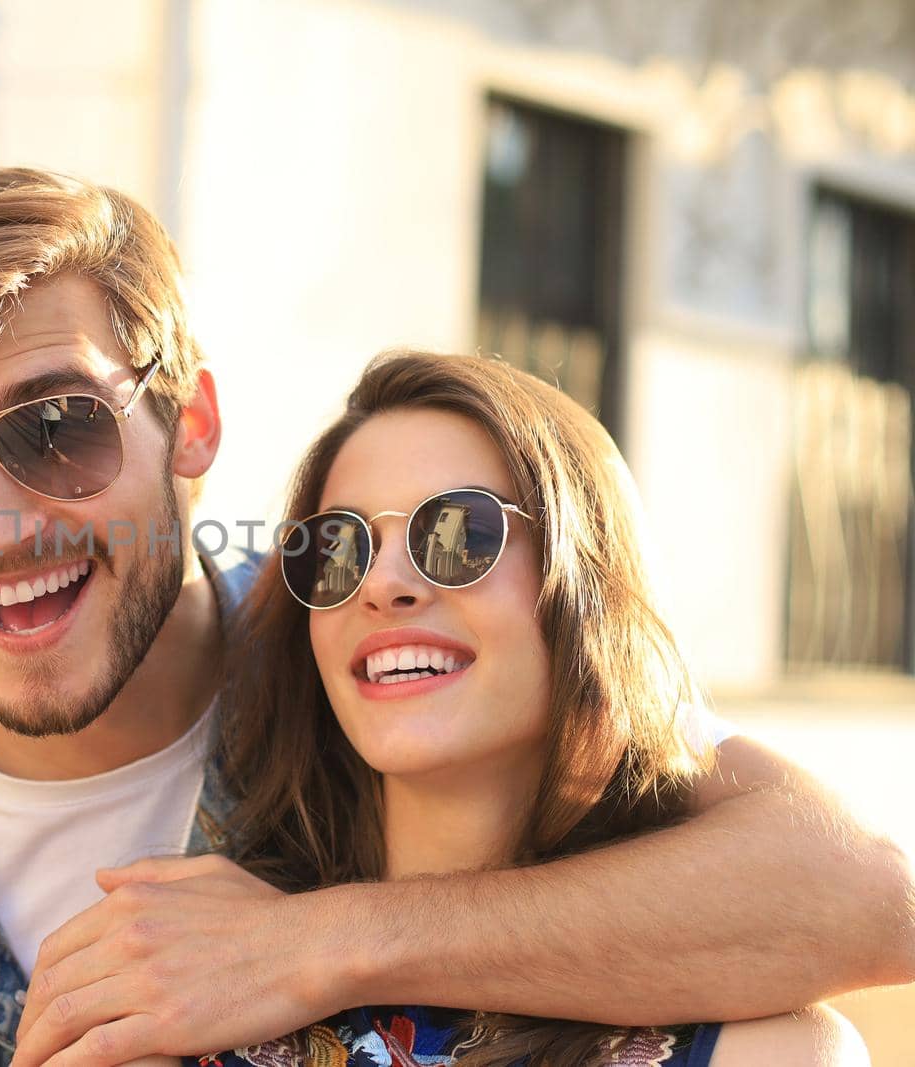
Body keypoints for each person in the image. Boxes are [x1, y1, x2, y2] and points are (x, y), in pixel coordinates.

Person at [0, 168, 913, 1066]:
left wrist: (320, 947)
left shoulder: (377, 664)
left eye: (58, 428)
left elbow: (858, 896)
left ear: (189, 421)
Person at [207, 351, 866, 1064]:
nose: (383, 583)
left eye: (461, 532)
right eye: (341, 547)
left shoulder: (772, 1052)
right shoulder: (197, 987)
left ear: (586, 589)